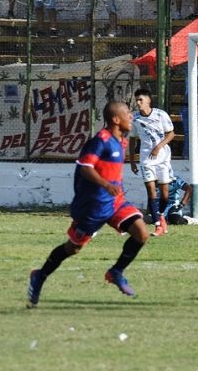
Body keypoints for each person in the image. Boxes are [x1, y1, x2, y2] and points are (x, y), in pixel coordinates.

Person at [26, 101, 151, 308]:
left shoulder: (122, 140)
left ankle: (116, 272)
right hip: (93, 206)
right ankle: (40, 275)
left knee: (141, 233)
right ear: (115, 119)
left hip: (115, 201)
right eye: (128, 113)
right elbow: (85, 167)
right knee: (72, 248)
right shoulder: (100, 141)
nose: (131, 116)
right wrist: (105, 184)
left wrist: (112, 187)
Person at [129, 89, 176, 237]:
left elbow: (171, 134)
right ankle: (157, 225)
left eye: (141, 100)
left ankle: (161, 216)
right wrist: (132, 160)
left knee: (164, 194)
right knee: (150, 190)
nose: (138, 103)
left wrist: (158, 147)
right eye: (136, 100)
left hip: (163, 158)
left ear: (149, 100)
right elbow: (132, 139)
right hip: (146, 159)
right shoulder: (135, 119)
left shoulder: (161, 114)